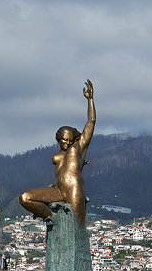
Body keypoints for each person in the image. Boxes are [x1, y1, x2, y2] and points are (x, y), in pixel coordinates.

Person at [19, 80, 95, 227]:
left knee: (76, 226)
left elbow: (91, 122)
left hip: (74, 188)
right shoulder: (59, 155)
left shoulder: (79, 147)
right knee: (25, 198)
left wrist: (90, 100)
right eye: (63, 141)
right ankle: (53, 218)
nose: (66, 143)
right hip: (59, 190)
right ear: (59, 140)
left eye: (69, 140)